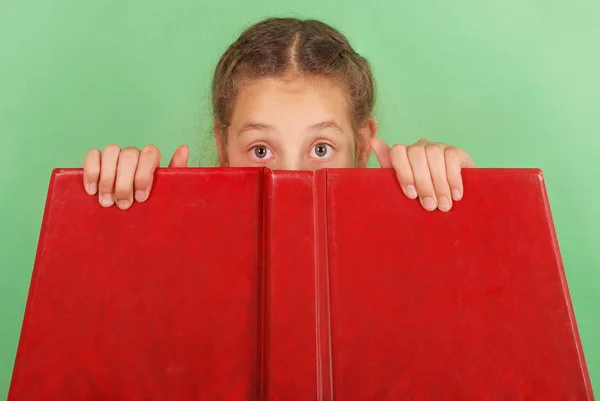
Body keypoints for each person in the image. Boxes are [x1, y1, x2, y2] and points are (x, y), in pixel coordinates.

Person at [82, 17, 475, 212]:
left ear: (360, 147)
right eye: (260, 150)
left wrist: (461, 207)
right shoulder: (183, 257)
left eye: (321, 149)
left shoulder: (397, 256)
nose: (291, 180)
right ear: (223, 148)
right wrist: (126, 220)